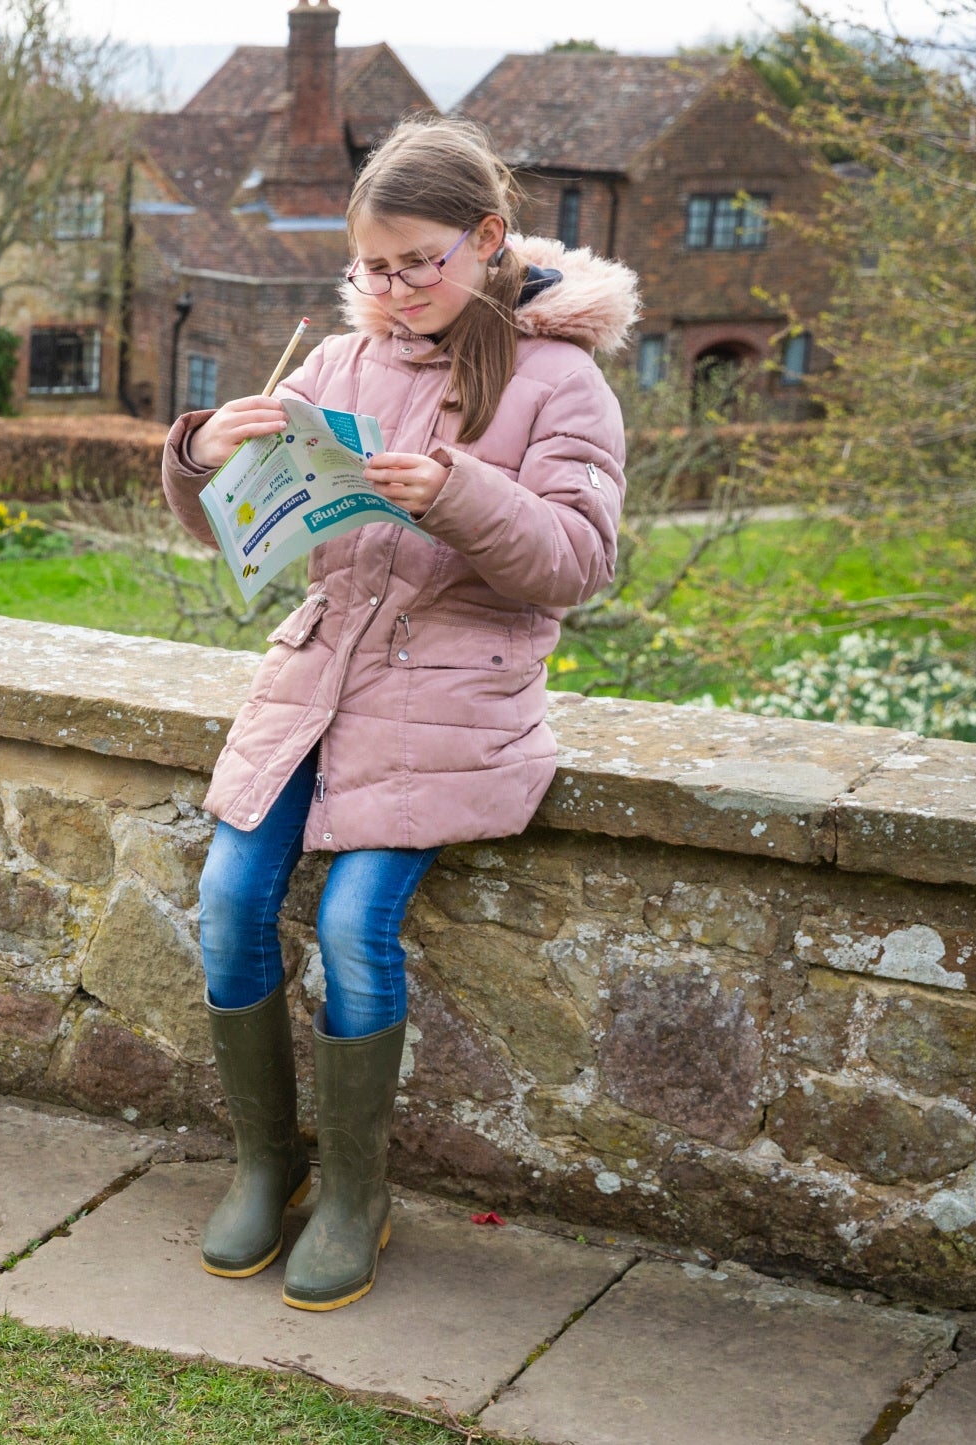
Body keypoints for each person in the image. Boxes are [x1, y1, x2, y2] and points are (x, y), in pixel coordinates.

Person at [160, 116, 638, 1312]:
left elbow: (579, 561)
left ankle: (358, 1193)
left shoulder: (560, 379)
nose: (394, 288)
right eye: (373, 267)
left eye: (418, 261)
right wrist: (201, 453)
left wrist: (462, 492)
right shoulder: (335, 361)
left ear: (485, 240)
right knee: (227, 899)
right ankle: (269, 1162)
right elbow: (232, 523)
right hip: (313, 682)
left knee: (357, 923)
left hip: (450, 703)